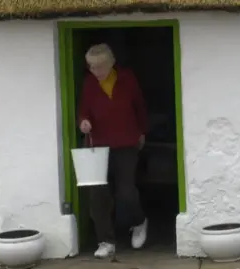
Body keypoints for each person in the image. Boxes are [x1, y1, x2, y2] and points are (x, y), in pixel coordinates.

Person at [78, 43, 148, 258]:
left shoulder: (126, 79)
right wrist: (84, 123)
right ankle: (105, 241)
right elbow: (83, 111)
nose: (95, 71)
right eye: (91, 67)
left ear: (111, 64)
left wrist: (142, 132)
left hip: (126, 142)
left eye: (99, 67)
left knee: (126, 192)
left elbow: (139, 106)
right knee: (98, 195)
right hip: (97, 145)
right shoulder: (89, 83)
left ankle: (139, 222)